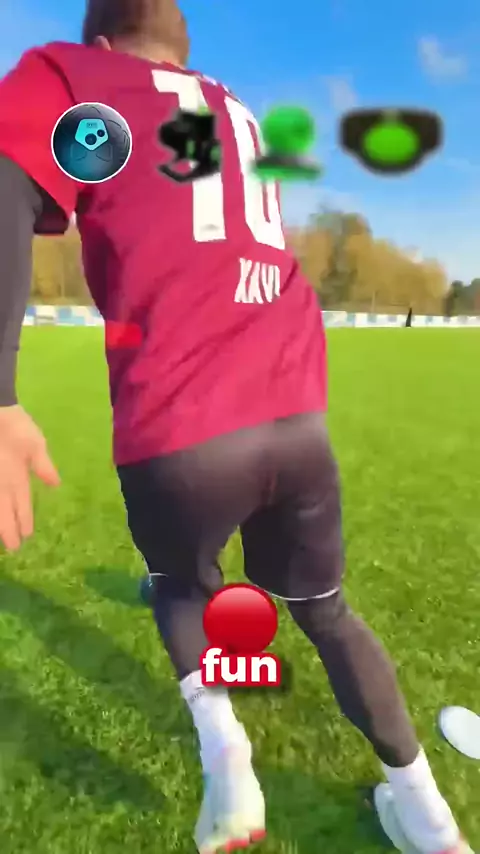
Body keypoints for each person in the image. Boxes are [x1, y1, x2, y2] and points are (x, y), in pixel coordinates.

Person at [0, 2, 472, 853]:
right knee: (328, 612)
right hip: (295, 416)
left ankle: (227, 757)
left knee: (181, 588)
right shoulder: (231, 110)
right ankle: (429, 815)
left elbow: (10, 176)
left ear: (101, 42)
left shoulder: (78, 77)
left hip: (184, 421)